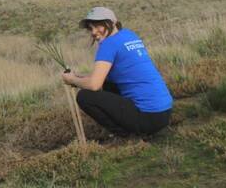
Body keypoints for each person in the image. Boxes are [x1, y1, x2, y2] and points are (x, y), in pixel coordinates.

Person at [61, 7, 173, 137]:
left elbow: (94, 85)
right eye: (90, 28)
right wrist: (78, 78)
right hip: (165, 113)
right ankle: (131, 128)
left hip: (147, 117)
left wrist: (71, 80)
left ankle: (124, 135)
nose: (93, 32)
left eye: (98, 26)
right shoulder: (129, 35)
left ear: (112, 23)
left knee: (84, 96)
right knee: (108, 82)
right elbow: (106, 76)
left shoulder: (108, 44)